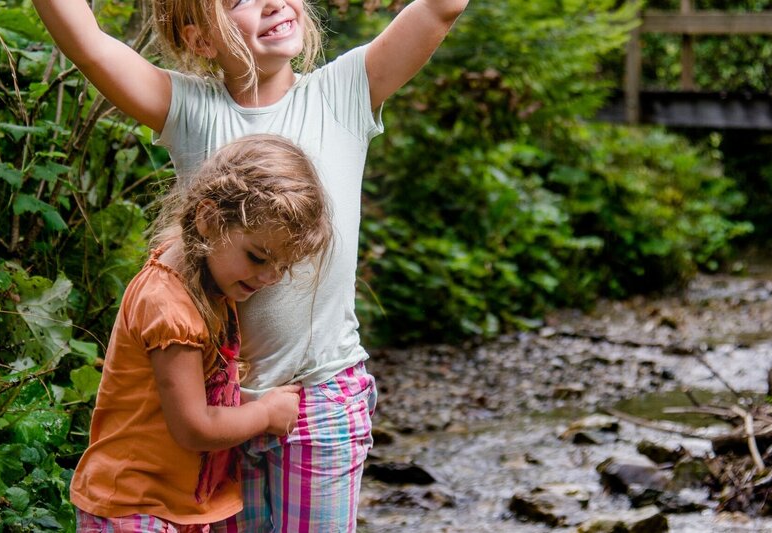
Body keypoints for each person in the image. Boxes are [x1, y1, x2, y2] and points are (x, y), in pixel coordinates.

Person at [33, 0, 470, 529]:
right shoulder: (190, 108)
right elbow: (87, 43)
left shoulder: (344, 92)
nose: (272, 2)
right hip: (218, 408)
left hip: (319, 397)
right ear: (200, 40)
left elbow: (440, 10)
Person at [71, 134, 334, 532]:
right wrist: (263, 413)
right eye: (259, 257)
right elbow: (193, 427)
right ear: (208, 219)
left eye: (284, 266)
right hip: (133, 507)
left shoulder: (210, 284)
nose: (269, 277)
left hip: (171, 507)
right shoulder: (169, 307)